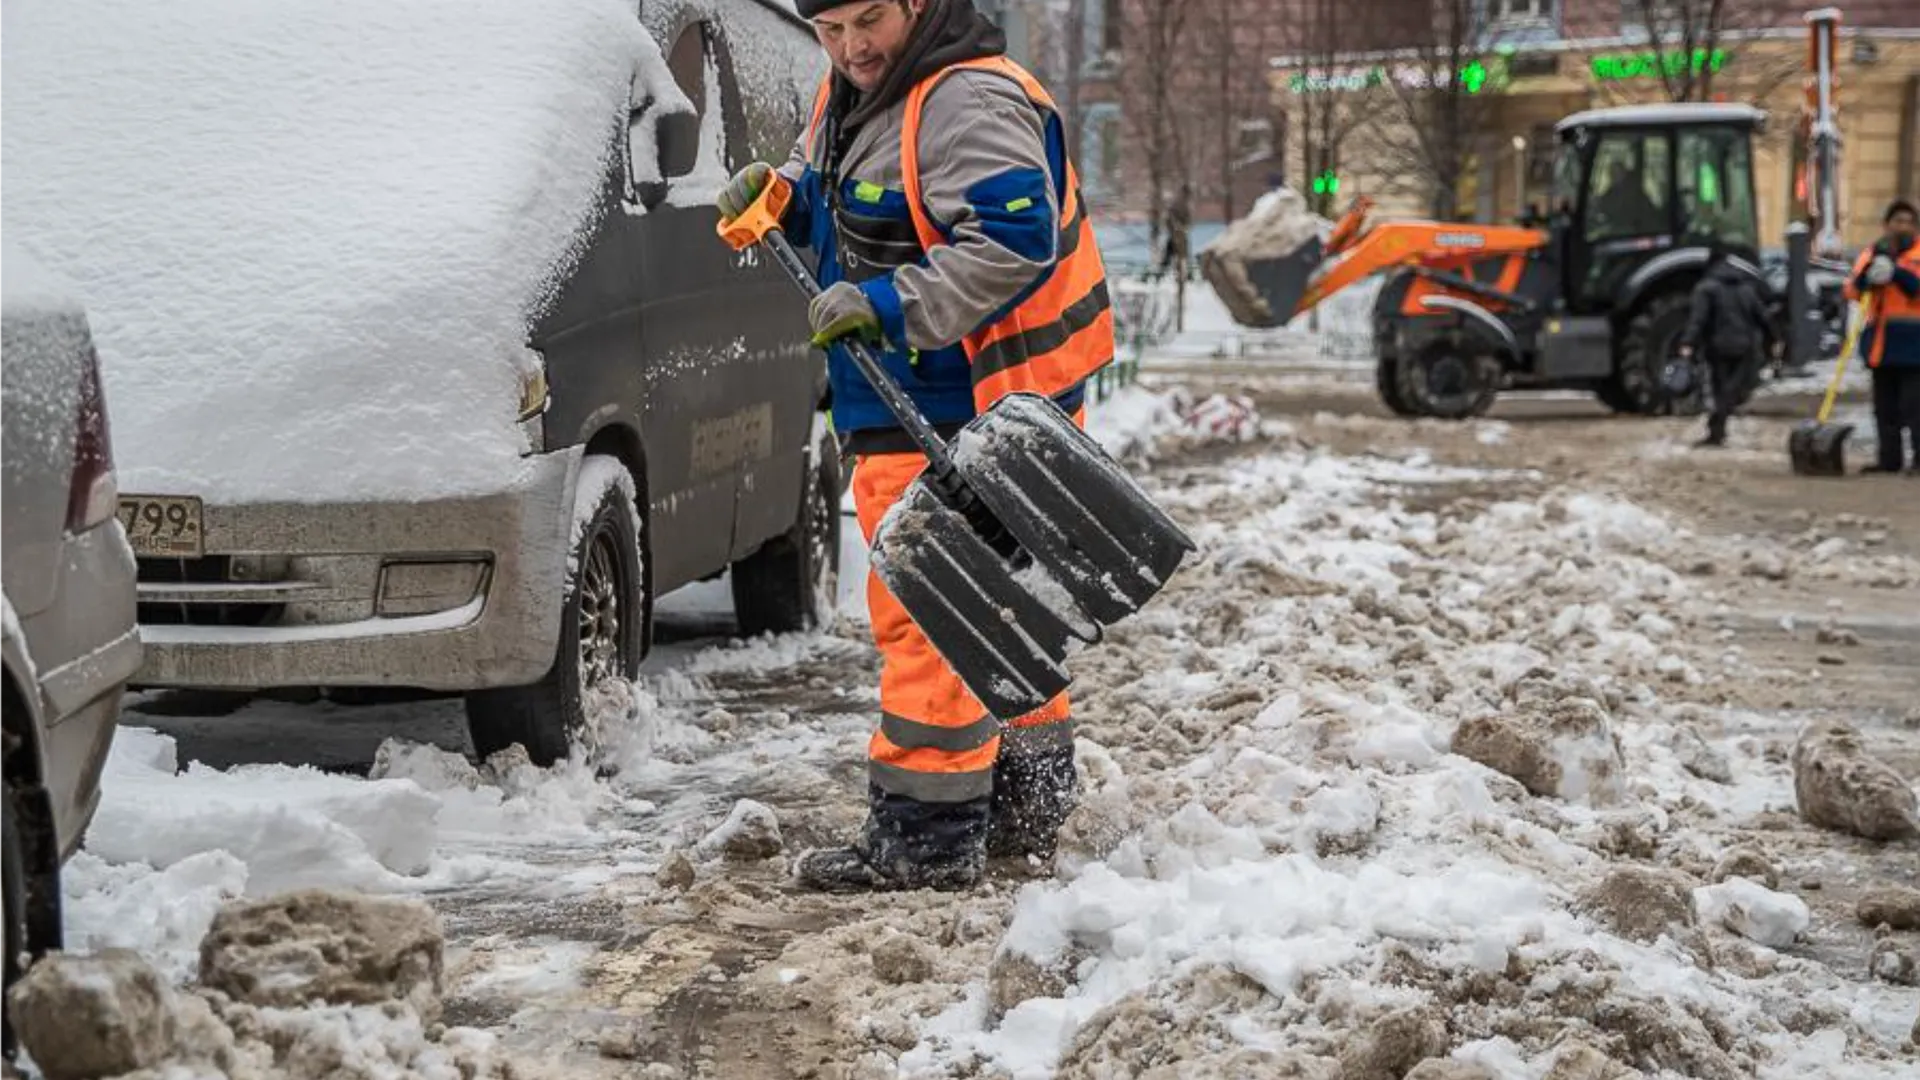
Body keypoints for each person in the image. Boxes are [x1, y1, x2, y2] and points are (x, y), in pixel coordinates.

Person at [712, 0, 1112, 891]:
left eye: (871, 18)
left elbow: (1015, 241)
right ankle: (1024, 801)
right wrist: (781, 197)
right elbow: (841, 203)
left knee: (930, 613)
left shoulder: (968, 99)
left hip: (961, 403)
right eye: (830, 28)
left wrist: (889, 305)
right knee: (1004, 608)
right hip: (922, 397)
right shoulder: (860, 92)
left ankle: (925, 839)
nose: (852, 46)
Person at [1844, 198, 1920, 474]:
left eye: (1907, 222)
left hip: (1915, 346)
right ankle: (1889, 461)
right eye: (1896, 221)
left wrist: (1897, 273)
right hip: (1882, 343)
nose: (1902, 227)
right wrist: (1868, 276)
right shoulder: (1873, 253)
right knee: (1885, 409)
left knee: (1915, 408)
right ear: (1886, 225)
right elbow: (1853, 290)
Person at [1678, 243, 1773, 447]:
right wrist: (1776, 338)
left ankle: (1716, 431)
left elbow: (1698, 319)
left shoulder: (1706, 288)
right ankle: (1717, 431)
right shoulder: (1746, 288)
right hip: (1744, 347)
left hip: (1718, 347)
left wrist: (1688, 342)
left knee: (1722, 389)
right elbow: (1762, 317)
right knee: (1731, 390)